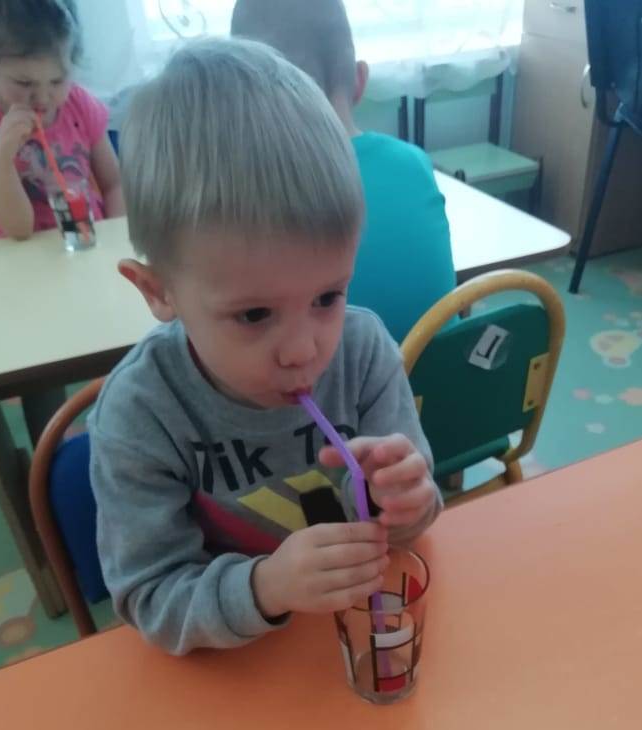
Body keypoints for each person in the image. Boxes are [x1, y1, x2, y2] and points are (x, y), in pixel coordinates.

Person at [88, 37, 442, 654]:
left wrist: (408, 500)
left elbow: (414, 522)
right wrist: (266, 587)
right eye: (254, 314)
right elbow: (150, 597)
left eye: (328, 296)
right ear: (158, 291)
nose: (303, 351)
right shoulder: (141, 413)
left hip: (348, 640)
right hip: (236, 664)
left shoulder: (362, 352)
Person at [231, 0, 456, 342]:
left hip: (332, 379)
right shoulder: (415, 163)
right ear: (360, 80)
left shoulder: (244, 193)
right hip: (443, 376)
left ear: (244, 97)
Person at [0, 0, 124, 241]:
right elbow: (18, 229)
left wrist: (116, 234)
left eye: (57, 81)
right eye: (24, 83)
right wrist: (2, 159)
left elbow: (114, 184)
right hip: (21, 254)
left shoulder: (79, 104)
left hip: (86, 243)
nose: (43, 98)